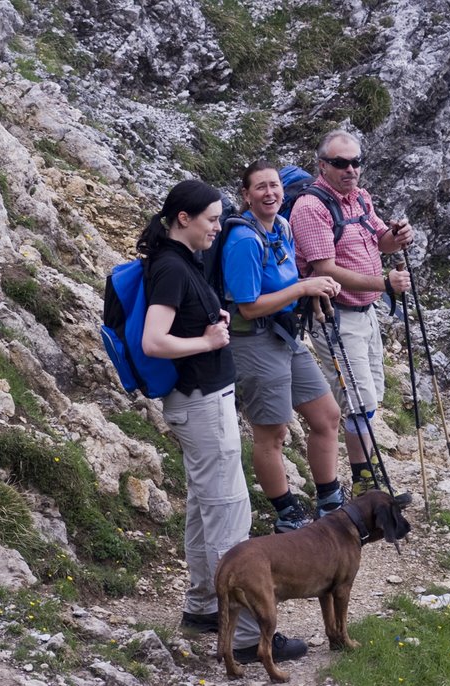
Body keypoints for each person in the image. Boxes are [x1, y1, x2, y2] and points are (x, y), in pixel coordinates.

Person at [137, 179, 306, 664]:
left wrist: (212, 329)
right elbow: (154, 341)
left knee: (202, 507)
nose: (219, 227)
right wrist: (208, 343)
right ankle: (250, 637)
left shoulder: (180, 258)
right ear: (184, 218)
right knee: (229, 513)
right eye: (212, 219)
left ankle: (202, 606)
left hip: (203, 400)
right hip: (202, 402)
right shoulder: (171, 266)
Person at [221, 160, 344, 532]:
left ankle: (330, 500)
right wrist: (304, 288)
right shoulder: (243, 240)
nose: (270, 193)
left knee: (327, 415)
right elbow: (247, 304)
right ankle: (288, 514)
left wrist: (316, 288)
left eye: (274, 185)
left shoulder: (283, 227)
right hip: (252, 339)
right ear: (246, 195)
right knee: (272, 432)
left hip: (283, 335)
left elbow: (288, 279)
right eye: (260, 187)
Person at [289, 130, 414, 498]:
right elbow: (324, 267)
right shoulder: (311, 207)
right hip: (335, 316)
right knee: (359, 402)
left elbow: (381, 240)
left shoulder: (359, 198)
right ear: (322, 165)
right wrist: (383, 283)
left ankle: (366, 477)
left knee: (370, 394)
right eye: (341, 163)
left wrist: (397, 235)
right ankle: (363, 482)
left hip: (365, 311)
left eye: (356, 162)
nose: (351, 169)